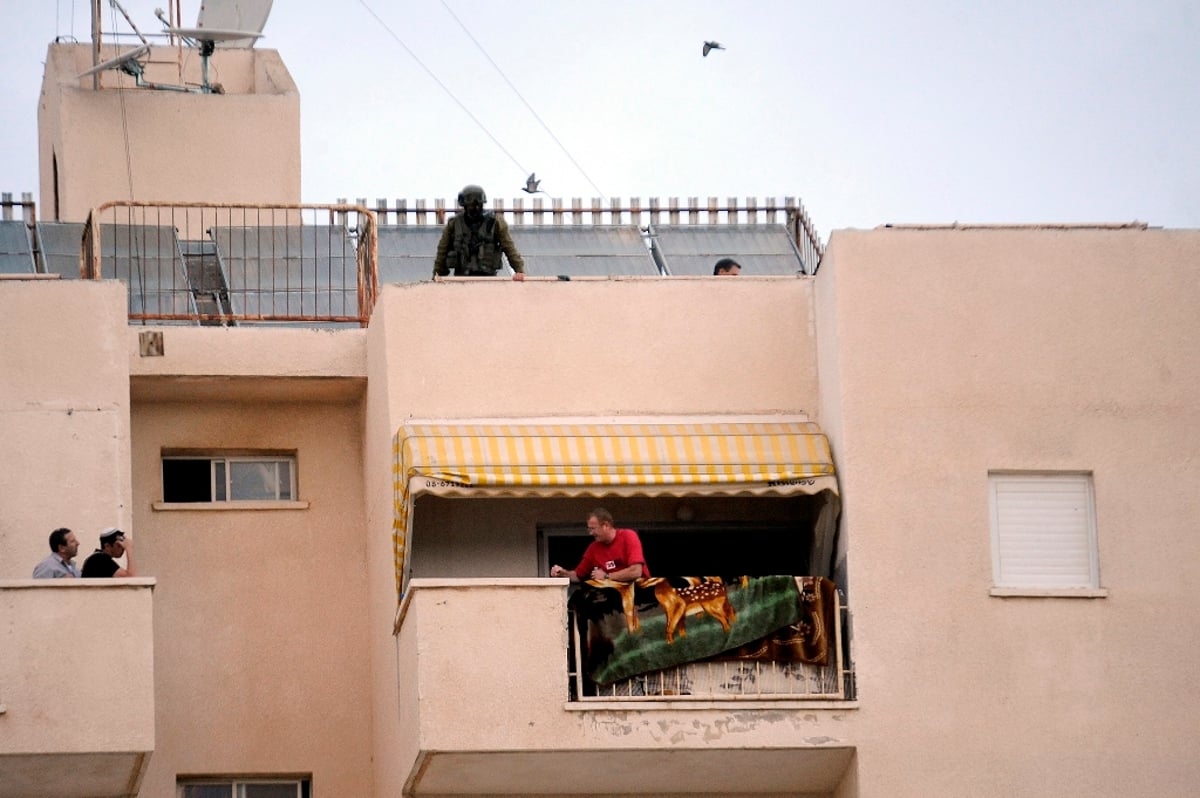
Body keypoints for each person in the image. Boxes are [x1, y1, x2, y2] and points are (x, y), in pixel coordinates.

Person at [433, 184, 526, 281]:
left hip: (488, 279)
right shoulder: (454, 224)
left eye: (477, 205)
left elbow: (509, 247)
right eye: (471, 206)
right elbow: (442, 252)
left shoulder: (495, 223)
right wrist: (437, 274)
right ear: (465, 206)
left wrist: (519, 270)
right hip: (461, 279)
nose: (475, 208)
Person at [550, 508, 650, 583]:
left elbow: (636, 571)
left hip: (639, 593)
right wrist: (562, 573)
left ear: (605, 525)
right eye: (589, 529)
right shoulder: (593, 548)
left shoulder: (628, 536)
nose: (590, 533)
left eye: (593, 528)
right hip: (614, 595)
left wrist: (607, 576)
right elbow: (577, 575)